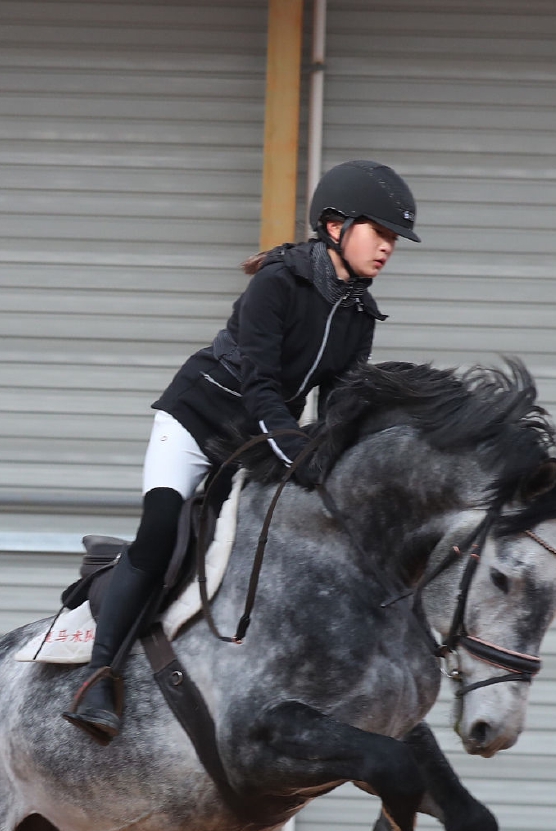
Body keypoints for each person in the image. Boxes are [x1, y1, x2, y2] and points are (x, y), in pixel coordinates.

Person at [62, 159, 421, 743]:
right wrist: (292, 446)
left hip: (253, 442)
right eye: (379, 233)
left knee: (255, 544)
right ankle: (99, 674)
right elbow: (259, 382)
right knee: (159, 533)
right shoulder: (276, 282)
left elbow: (340, 401)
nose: (387, 249)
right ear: (336, 226)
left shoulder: (359, 313)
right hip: (196, 421)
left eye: (393, 240)